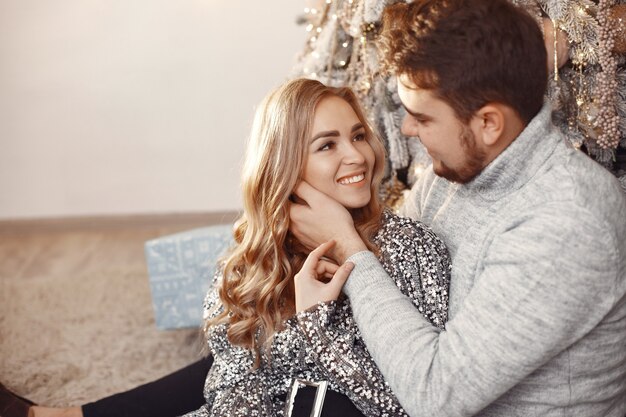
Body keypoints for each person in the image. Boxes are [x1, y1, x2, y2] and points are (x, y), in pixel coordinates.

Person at [10, 78, 451, 417]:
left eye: (357, 136)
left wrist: (315, 321)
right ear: (285, 166)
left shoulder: (413, 248)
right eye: (327, 145)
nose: (357, 155)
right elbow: (229, 390)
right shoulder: (261, 256)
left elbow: (402, 403)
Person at [289, 0, 626, 416]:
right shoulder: (454, 171)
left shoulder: (568, 220)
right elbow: (396, 273)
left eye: (423, 118)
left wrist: (347, 248)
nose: (406, 129)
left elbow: (436, 395)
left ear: (488, 123)